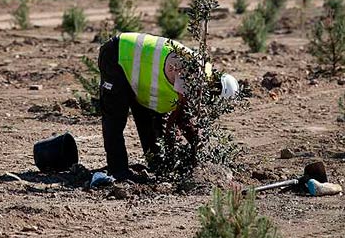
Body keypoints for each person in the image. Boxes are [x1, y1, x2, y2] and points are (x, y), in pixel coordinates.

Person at [98, 32, 239, 180]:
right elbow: (178, 118)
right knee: (115, 115)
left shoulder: (205, 74)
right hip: (117, 54)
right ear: (214, 88)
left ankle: (157, 163)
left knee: (150, 115)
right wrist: (194, 148)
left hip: (138, 71)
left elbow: (181, 117)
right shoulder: (193, 73)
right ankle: (118, 170)